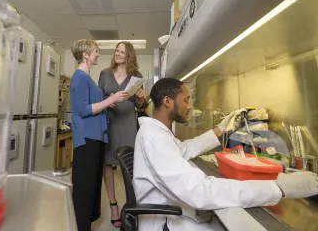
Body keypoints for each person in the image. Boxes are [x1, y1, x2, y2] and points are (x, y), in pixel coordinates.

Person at [133, 78, 318, 231]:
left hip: (174, 212)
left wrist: (220, 129)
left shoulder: (158, 133)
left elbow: (185, 149)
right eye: (186, 99)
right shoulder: (153, 138)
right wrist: (276, 188)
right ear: (167, 101)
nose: (190, 106)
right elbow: (201, 191)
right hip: (165, 224)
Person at [69, 39, 128, 231]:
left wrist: (106, 102)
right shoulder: (79, 77)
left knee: (92, 186)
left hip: (95, 138)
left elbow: (93, 103)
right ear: (85, 55)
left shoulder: (88, 78)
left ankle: (85, 223)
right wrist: (110, 99)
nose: (98, 55)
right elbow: (83, 109)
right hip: (87, 138)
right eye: (95, 51)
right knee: (84, 186)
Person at [98, 41, 146, 228]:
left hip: (127, 124)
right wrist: (107, 100)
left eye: (122, 52)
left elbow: (140, 105)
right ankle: (113, 206)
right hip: (108, 123)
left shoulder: (137, 76)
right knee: (107, 164)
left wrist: (141, 97)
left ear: (129, 56)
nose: (118, 54)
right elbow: (97, 98)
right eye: (116, 50)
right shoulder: (104, 73)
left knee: (129, 166)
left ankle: (131, 206)